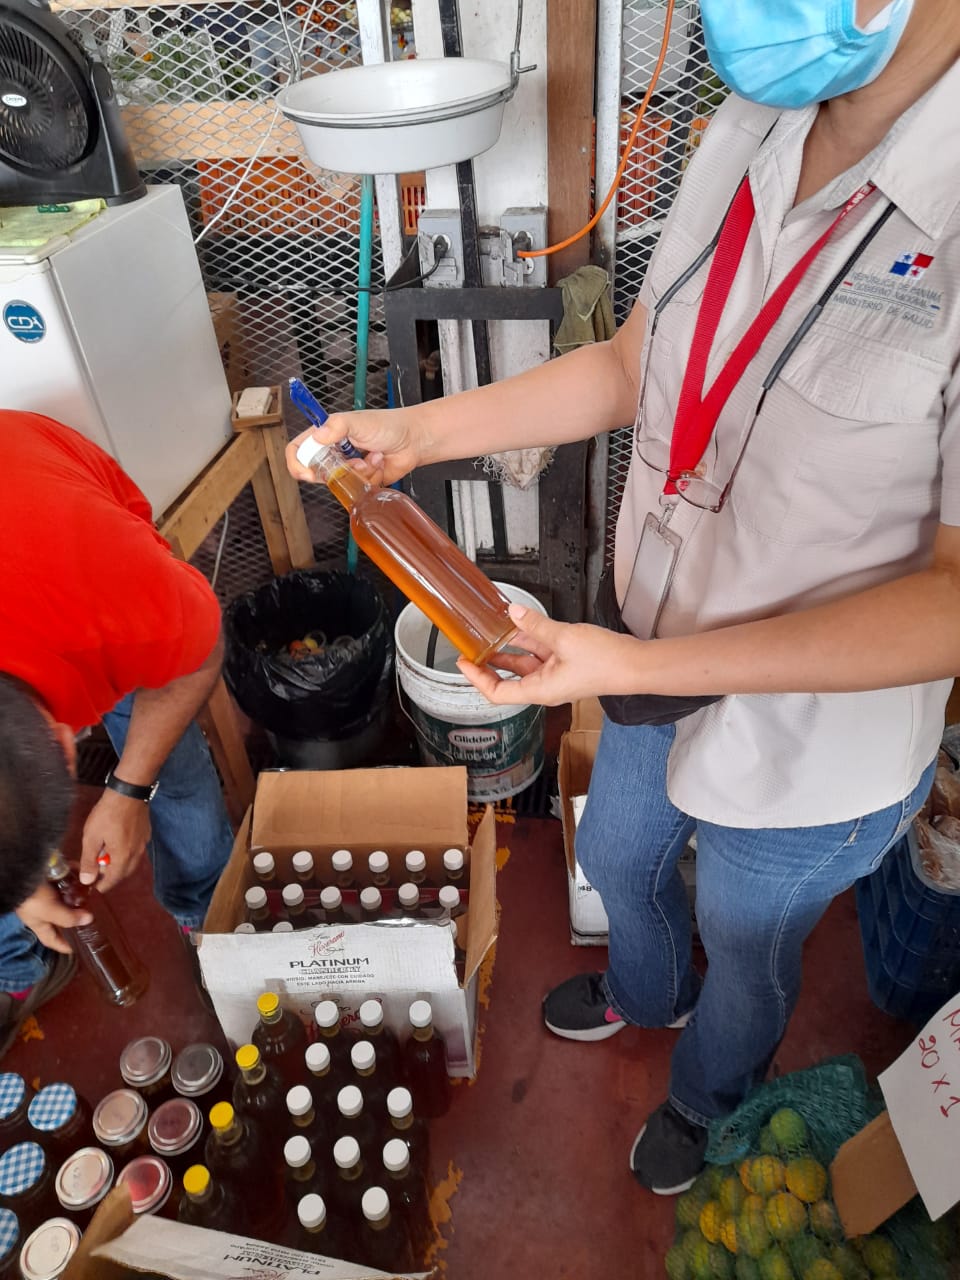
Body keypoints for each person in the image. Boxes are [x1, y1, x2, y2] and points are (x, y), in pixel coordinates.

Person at [288, 0, 960, 1193]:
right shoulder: (750, 124)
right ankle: (647, 993)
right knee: (618, 844)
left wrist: (631, 667)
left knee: (749, 939)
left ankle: (708, 1093)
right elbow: (629, 366)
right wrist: (415, 431)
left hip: (812, 744)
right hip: (642, 653)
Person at [0, 411, 235, 1055]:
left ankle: (204, 910)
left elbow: (201, 653)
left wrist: (130, 788)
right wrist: (17, 891)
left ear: (68, 740)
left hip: (55, 537)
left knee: (171, 766)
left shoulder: (111, 594)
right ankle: (16, 961)